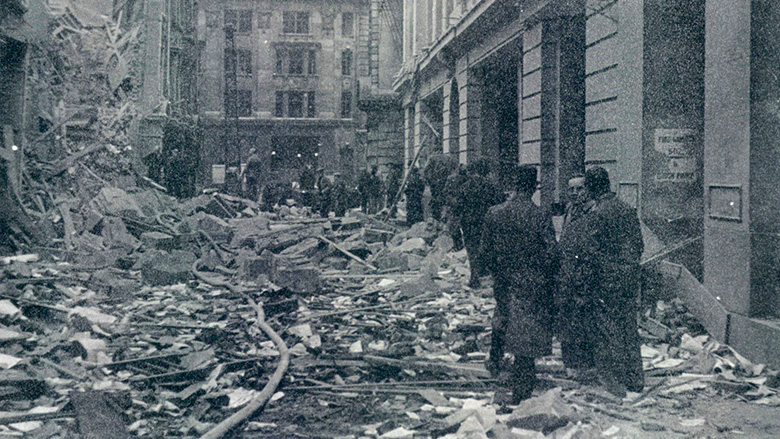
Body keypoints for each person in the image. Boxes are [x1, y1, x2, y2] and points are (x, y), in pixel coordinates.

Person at [478, 165, 558, 403]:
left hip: (504, 278)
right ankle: (522, 388)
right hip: (531, 281)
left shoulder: (495, 213)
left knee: (502, 315)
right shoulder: (540, 215)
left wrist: (497, 270)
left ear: (514, 186)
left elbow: (484, 253)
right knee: (526, 331)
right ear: (533, 188)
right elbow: (552, 253)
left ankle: (495, 364)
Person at [555, 175, 597, 378]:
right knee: (567, 320)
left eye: (579, 189)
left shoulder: (594, 213)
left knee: (584, 321)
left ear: (588, 190)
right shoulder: (570, 211)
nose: (574, 193)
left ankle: (586, 364)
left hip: (584, 274)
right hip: (567, 272)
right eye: (571, 189)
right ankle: (570, 363)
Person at [455, 159, 505, 288]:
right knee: (488, 250)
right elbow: (499, 203)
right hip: (487, 223)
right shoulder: (492, 186)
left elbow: (458, 206)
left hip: (469, 224)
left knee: (472, 251)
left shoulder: (465, 186)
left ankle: (475, 279)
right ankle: (488, 279)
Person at [444, 164, 467, 251]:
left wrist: (450, 200)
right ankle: (462, 245)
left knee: (454, 226)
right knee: (464, 225)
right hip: (464, 205)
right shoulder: (468, 179)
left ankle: (458, 245)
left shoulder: (451, 178)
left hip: (454, 205)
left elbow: (445, 191)